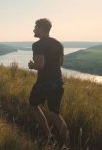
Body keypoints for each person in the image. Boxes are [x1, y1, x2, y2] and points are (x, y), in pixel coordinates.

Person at [28, 18, 70, 147]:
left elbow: (40, 65)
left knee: (33, 105)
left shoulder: (38, 45)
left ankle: (49, 135)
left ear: (41, 28)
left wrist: (32, 65)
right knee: (55, 113)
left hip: (44, 82)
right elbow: (61, 63)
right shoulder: (59, 44)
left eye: (35, 27)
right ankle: (68, 144)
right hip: (58, 82)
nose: (33, 29)